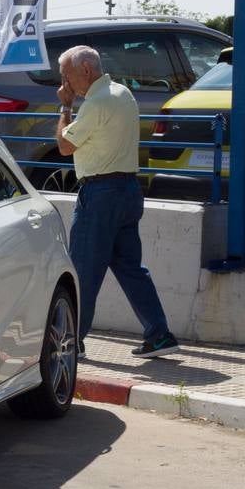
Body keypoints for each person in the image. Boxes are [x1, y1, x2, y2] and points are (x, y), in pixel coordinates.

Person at [56, 45, 180, 359]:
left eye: (66, 75)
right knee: (130, 268)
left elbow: (64, 146)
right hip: (128, 190)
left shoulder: (95, 103)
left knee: (83, 269)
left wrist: (65, 107)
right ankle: (159, 335)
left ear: (85, 69)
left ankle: (71, 342)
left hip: (100, 193)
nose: (65, 83)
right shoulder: (123, 93)